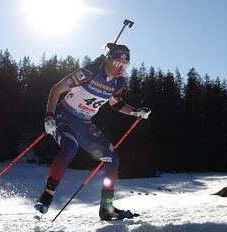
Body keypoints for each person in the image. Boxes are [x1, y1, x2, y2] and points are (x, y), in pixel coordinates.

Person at [35, 43, 151, 220]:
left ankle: (107, 208)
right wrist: (49, 116)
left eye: (125, 65)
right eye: (118, 63)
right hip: (64, 117)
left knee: (112, 158)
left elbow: (116, 104)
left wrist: (135, 112)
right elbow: (56, 89)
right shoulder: (89, 73)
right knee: (70, 148)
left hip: (84, 123)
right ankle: (47, 197)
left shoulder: (119, 83)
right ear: (108, 60)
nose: (121, 69)